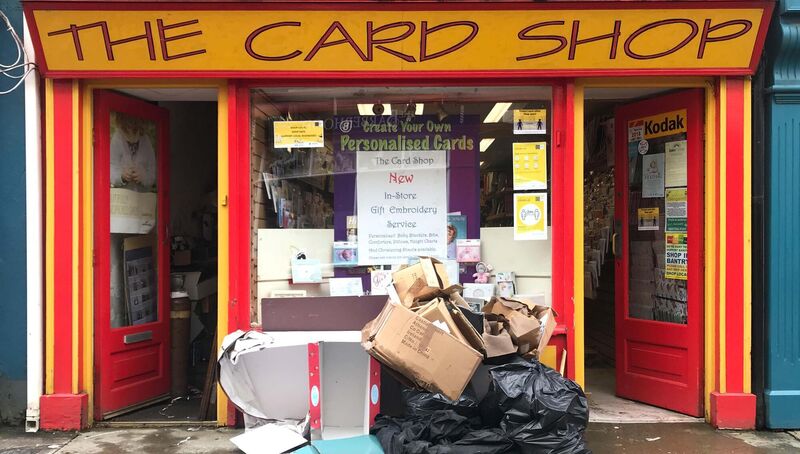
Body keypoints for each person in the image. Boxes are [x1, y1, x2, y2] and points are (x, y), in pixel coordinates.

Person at [110, 113, 156, 191]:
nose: (130, 134)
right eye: (126, 129)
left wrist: (144, 177)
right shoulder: (116, 139)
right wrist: (122, 176)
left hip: (142, 198)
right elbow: (111, 168)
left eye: (134, 129)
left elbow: (153, 172)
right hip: (123, 197)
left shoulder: (145, 140)